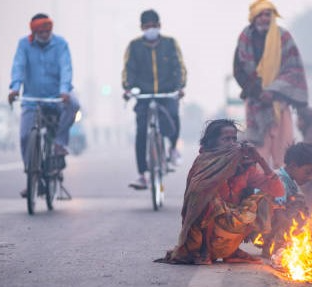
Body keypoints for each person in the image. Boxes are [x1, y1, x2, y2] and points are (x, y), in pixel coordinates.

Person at [156, 119, 284, 265]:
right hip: (203, 235)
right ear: (213, 142)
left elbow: (278, 191)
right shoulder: (204, 162)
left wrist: (259, 159)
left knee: (265, 199)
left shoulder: (245, 165)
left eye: (234, 139)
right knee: (208, 196)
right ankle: (204, 252)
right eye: (225, 139)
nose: (231, 143)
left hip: (232, 229)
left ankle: (235, 249)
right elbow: (196, 198)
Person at [8, 13, 79, 198]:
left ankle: (59, 143)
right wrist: (15, 88)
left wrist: (64, 90)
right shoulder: (24, 45)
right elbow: (19, 67)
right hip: (32, 99)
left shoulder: (61, 44)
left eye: (48, 31)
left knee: (74, 104)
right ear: (34, 31)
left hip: (57, 97)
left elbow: (66, 68)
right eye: (42, 31)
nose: (46, 34)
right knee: (25, 136)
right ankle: (33, 177)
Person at [233, 0, 308, 169]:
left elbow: (293, 69)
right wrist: (259, 92)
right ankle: (260, 193)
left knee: (284, 153)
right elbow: (239, 71)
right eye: (260, 14)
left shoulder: (284, 37)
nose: (264, 18)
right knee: (258, 155)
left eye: (268, 14)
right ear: (253, 17)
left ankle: (283, 192)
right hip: (255, 105)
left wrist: (274, 91)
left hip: (279, 104)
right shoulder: (245, 38)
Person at [122, 9, 187, 190]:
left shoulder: (170, 44)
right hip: (143, 95)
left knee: (173, 114)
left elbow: (179, 67)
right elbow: (128, 70)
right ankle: (142, 174)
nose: (151, 29)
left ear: (159, 26)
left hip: (166, 94)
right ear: (142, 28)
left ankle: (172, 149)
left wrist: (180, 87)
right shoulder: (134, 47)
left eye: (154, 25)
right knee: (141, 131)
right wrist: (128, 88)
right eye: (147, 26)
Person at [258, 142, 312, 257]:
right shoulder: (280, 180)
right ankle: (275, 247)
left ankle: (275, 244)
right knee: (297, 204)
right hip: (261, 223)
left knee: (299, 201)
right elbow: (279, 214)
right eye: (307, 172)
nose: (309, 178)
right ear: (293, 166)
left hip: (268, 221)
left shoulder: (289, 181)